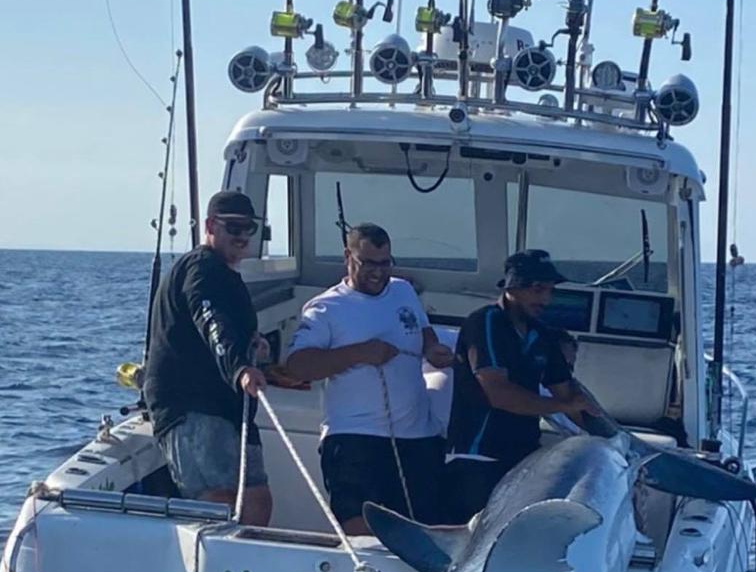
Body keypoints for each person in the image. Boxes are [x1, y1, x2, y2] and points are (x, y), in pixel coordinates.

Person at [286, 222, 454, 535]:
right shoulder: (325, 308)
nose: (378, 272)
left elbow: (423, 330)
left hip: (417, 438)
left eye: (385, 263)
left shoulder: (403, 290)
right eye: (369, 264)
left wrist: (432, 348)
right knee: (363, 532)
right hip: (356, 439)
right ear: (347, 258)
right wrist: (359, 353)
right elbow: (298, 366)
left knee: (425, 529)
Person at [143, 190, 273, 524]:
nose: (242, 237)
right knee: (220, 501)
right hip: (192, 406)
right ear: (211, 226)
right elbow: (210, 319)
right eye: (234, 228)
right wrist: (240, 368)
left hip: (230, 407)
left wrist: (252, 347)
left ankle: (247, 567)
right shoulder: (201, 269)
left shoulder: (226, 275)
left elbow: (227, 328)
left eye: (249, 229)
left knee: (257, 500)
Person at [445, 249, 599, 523]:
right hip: (478, 458)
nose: (545, 299)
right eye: (538, 289)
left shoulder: (543, 335)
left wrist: (612, 442)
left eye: (550, 291)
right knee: (476, 539)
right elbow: (498, 393)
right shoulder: (485, 323)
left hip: (523, 460)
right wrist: (563, 406)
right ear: (513, 286)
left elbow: (568, 393)